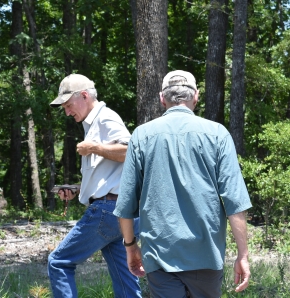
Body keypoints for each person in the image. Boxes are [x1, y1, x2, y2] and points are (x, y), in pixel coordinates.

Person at [114, 70, 252, 297]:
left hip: (160, 257)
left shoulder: (142, 135)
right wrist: (242, 255)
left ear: (162, 98)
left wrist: (130, 247)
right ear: (196, 96)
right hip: (206, 256)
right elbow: (235, 202)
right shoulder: (217, 134)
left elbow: (126, 203)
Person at [47, 73, 141, 298]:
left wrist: (94, 148)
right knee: (124, 277)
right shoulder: (92, 123)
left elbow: (131, 152)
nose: (67, 112)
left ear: (85, 96)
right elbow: (109, 175)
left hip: (108, 211)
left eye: (69, 105)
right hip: (123, 212)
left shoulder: (105, 118)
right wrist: (79, 189)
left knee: (59, 262)